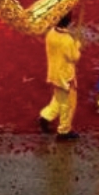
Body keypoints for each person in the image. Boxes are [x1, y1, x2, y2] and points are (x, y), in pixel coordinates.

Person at [38, 12, 82, 140]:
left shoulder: (51, 33)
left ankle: (46, 117)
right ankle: (64, 131)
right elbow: (74, 57)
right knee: (67, 104)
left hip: (54, 73)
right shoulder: (67, 40)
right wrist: (77, 46)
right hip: (65, 77)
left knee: (59, 99)